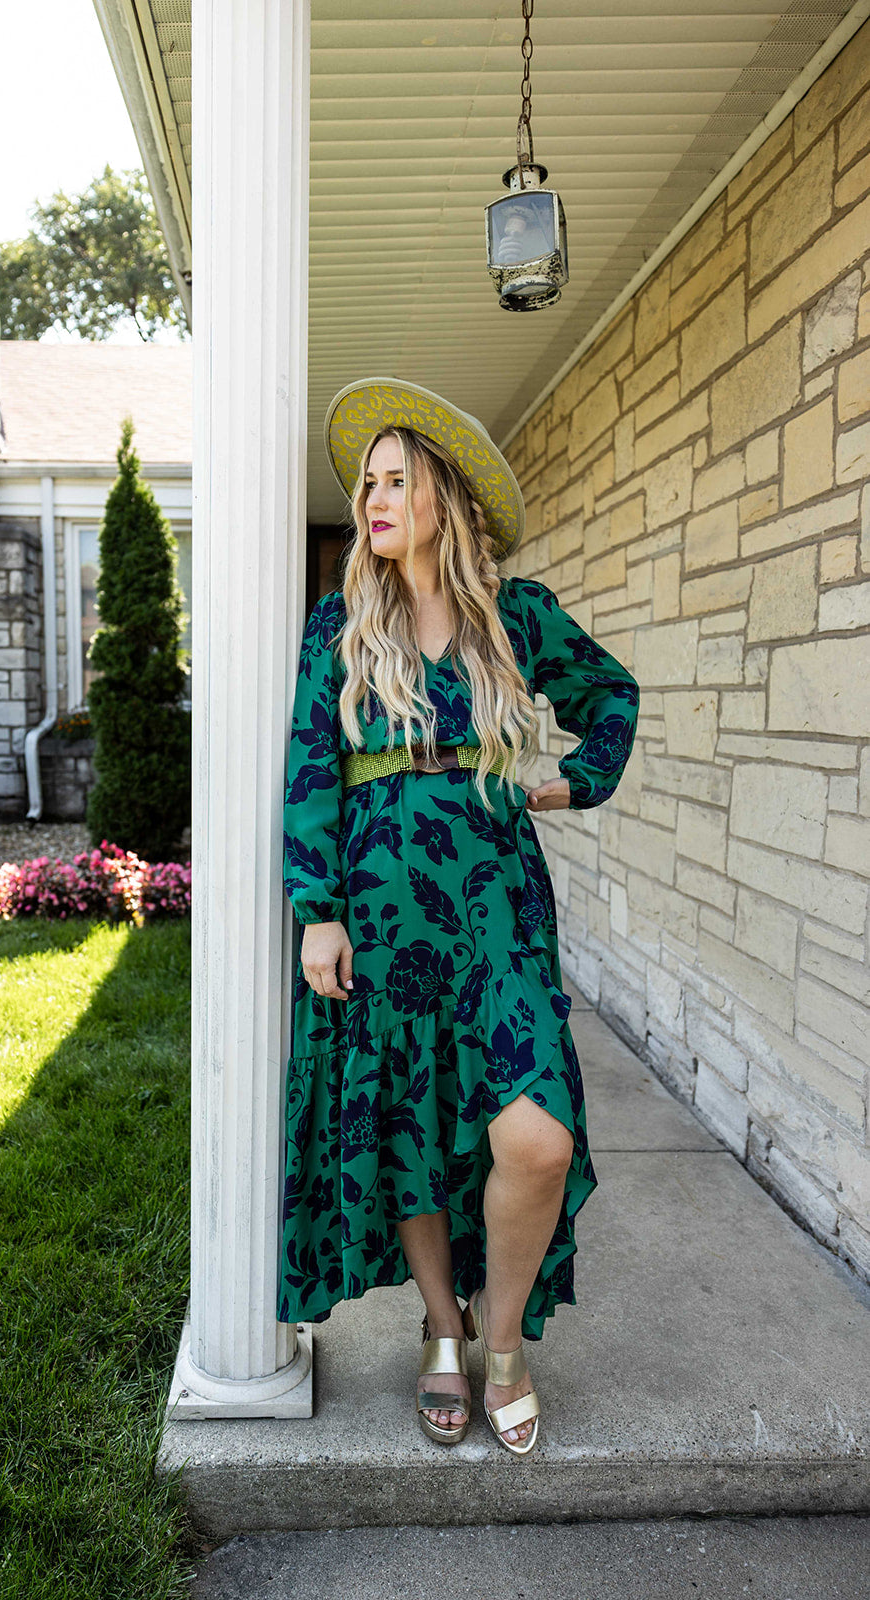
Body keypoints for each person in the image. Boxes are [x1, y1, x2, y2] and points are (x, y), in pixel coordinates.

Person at [279, 377, 639, 1455]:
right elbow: (310, 767)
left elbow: (609, 695)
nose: (373, 500)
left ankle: (503, 1336)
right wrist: (317, 910)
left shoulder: (515, 616)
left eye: (395, 481)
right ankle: (442, 1327)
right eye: (367, 485)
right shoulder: (341, 623)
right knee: (408, 1126)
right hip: (382, 914)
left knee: (534, 1137)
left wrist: (574, 782)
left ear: (441, 494)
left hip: (496, 910)